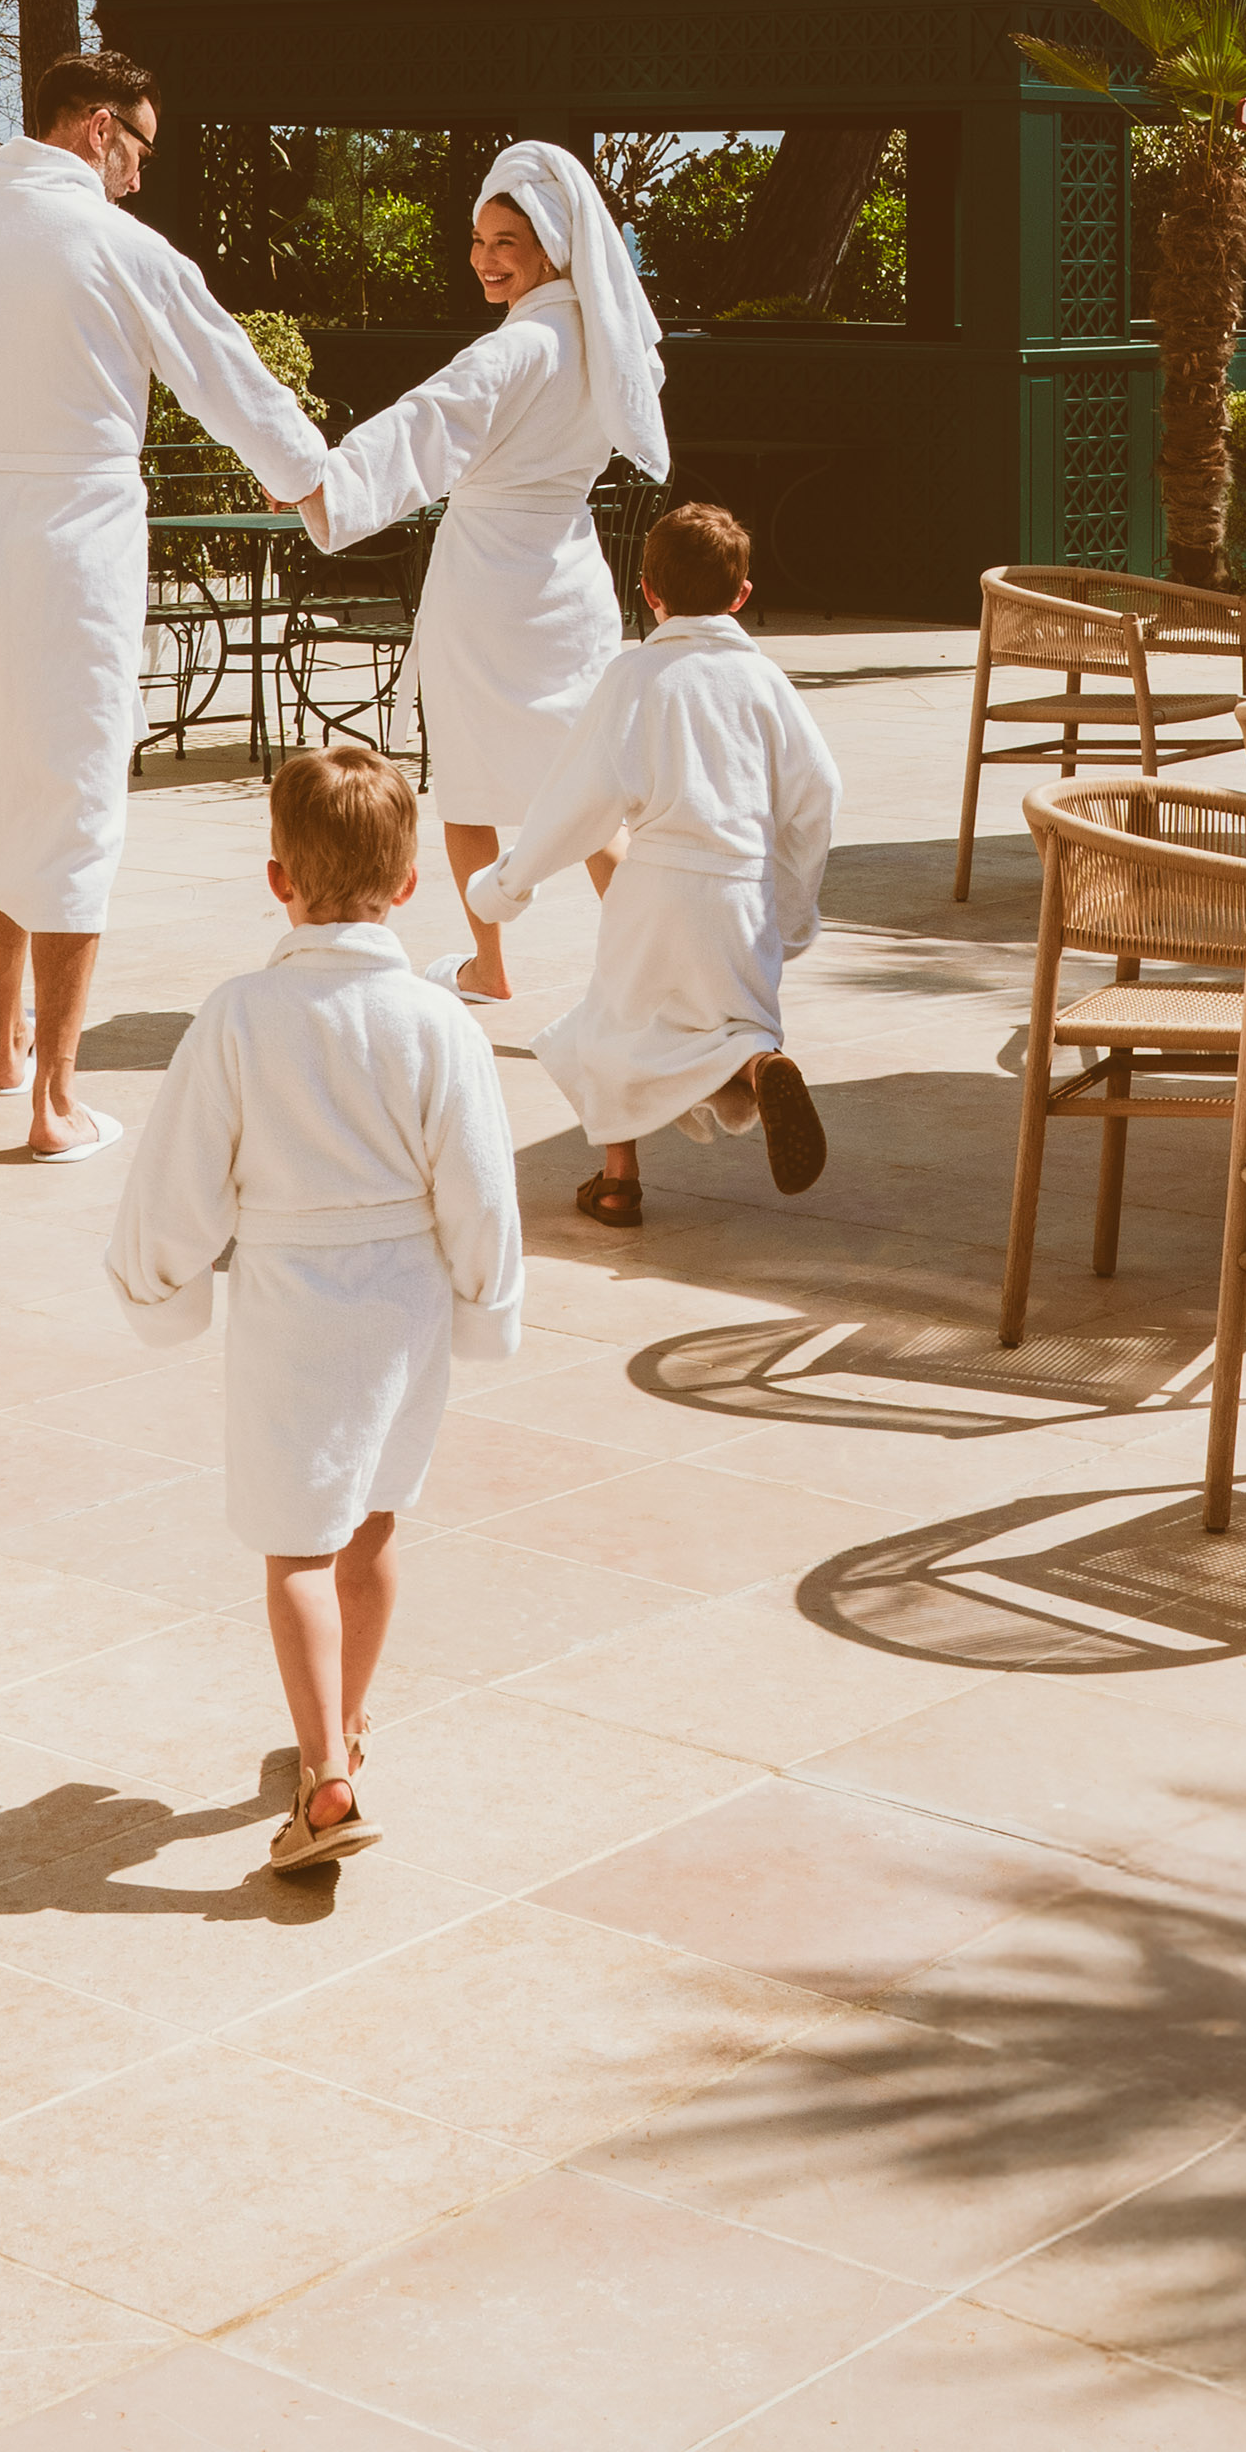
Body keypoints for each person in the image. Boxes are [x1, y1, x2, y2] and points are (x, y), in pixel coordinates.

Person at [0, 51, 328, 1159]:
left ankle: (1, 1046)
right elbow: (228, 374)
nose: (138, 177)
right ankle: (54, 1099)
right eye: (137, 149)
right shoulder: (119, 243)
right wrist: (315, 480)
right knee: (79, 797)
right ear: (97, 129)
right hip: (80, 543)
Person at [103, 740, 521, 1872]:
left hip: (289, 1300)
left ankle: (325, 1768)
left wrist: (158, 1279)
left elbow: (179, 1172)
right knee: (373, 1517)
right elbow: (480, 1181)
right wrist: (486, 1298)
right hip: (403, 1301)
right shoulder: (441, 1023)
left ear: (277, 877)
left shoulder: (236, 1016)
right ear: (410, 882)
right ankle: (347, 1727)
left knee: (294, 1541)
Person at [315, 140, 670, 1007]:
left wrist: (318, 478)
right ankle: (660, 971)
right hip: (571, 576)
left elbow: (421, 425)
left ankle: (492, 968)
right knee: (584, 789)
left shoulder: (515, 351)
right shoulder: (606, 343)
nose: (483, 258)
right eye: (477, 240)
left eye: (505, 241)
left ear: (549, 242)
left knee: (470, 785)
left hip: (489, 584)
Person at [467, 499, 840, 1234]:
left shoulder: (634, 677)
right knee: (729, 1022)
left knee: (614, 1029)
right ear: (742, 596)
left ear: (647, 592)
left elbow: (580, 801)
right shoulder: (764, 683)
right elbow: (818, 791)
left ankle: (618, 1182)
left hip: (656, 887)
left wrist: (507, 885)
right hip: (742, 890)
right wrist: (792, 903)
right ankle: (758, 1068)